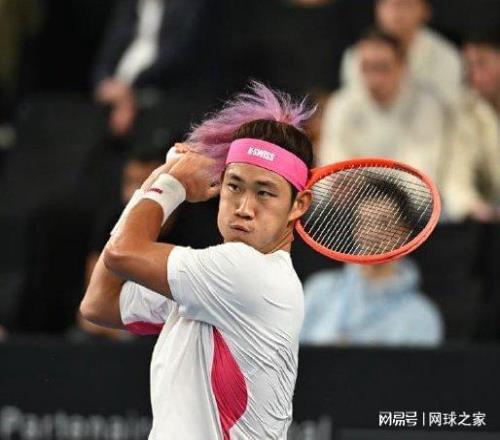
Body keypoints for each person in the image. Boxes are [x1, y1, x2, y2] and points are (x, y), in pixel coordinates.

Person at [80, 83, 314, 438]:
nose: (244, 208)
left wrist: (169, 185)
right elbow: (99, 303)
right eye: (234, 186)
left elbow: (120, 253)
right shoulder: (209, 282)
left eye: (265, 193)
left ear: (298, 205)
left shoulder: (247, 273)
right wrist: (158, 180)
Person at [301, 180, 443, 346]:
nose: (371, 234)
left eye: (384, 223)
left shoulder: (422, 315)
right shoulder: (319, 290)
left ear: (404, 232)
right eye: (363, 222)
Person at [318, 28, 447, 184]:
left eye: (382, 68)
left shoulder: (426, 107)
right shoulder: (341, 104)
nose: (374, 79)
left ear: (402, 68)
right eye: (367, 67)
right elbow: (332, 166)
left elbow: (420, 175)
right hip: (353, 195)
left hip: (405, 195)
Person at [340, 0, 462, 109]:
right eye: (388, 4)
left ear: (425, 11)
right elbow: (355, 107)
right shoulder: (356, 56)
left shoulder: (446, 56)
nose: (396, 13)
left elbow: (448, 109)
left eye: (405, 4)